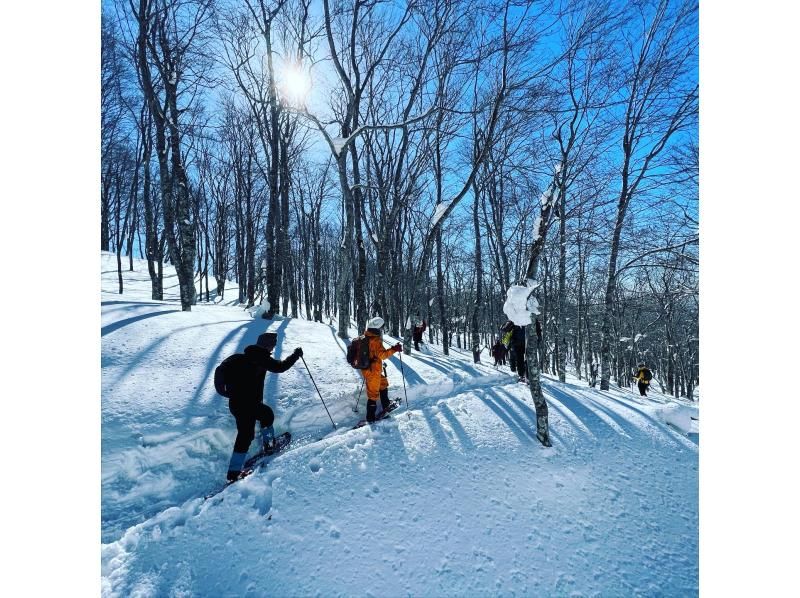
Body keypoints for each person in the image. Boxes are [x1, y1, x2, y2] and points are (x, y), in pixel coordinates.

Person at [218, 332, 303, 482]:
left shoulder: (244, 356)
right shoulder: (260, 357)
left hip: (238, 403)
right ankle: (233, 474)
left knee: (266, 415)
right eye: (273, 343)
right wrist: (295, 355)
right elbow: (280, 367)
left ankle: (269, 445)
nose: (274, 346)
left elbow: (221, 370)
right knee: (246, 435)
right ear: (267, 345)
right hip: (247, 405)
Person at [361, 316, 403, 422]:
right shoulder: (375, 340)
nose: (381, 331)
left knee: (383, 383)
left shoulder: (365, 337)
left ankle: (386, 405)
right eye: (380, 328)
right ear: (377, 328)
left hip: (372, 369)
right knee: (373, 394)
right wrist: (394, 349)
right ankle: (370, 418)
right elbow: (382, 355)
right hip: (372, 371)